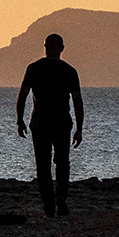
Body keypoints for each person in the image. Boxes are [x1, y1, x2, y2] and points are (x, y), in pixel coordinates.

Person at [16, 33, 84, 216]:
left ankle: (48, 203)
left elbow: (22, 95)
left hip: (40, 122)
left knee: (43, 165)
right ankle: (61, 196)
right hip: (62, 122)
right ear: (62, 49)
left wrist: (20, 120)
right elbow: (77, 101)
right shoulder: (69, 71)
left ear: (45, 47)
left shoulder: (33, 68)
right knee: (62, 162)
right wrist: (79, 128)